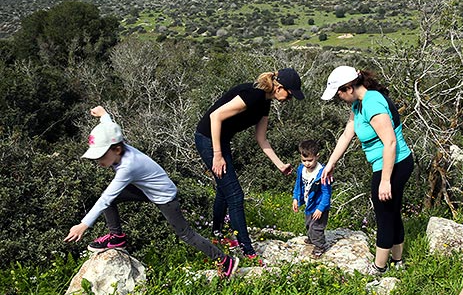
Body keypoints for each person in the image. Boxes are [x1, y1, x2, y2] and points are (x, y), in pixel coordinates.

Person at [64, 106, 238, 279]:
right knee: (109, 200)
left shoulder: (128, 166)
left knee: (185, 234)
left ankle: (225, 261)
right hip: (146, 190)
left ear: (116, 149)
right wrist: (103, 114)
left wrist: (83, 225)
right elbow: (110, 126)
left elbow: (106, 198)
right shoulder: (117, 146)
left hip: (165, 196)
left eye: (101, 155)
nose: (98, 161)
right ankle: (117, 237)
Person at [195, 68, 304, 258]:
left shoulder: (265, 103)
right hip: (207, 139)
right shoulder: (253, 94)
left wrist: (279, 164)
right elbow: (215, 117)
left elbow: (261, 139)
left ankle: (216, 235)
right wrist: (217, 154)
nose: (290, 98)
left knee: (224, 188)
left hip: (221, 140)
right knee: (236, 195)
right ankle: (248, 251)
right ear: (279, 87)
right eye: (290, 93)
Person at [320, 66, 414, 275]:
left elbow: (389, 142)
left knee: (384, 215)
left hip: (393, 164)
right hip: (389, 164)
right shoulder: (359, 105)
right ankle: (398, 262)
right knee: (392, 212)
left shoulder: (372, 103)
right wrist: (331, 163)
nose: (339, 97)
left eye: (339, 93)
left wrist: (385, 180)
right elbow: (347, 135)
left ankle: (379, 268)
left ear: (349, 88)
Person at [292, 140, 332, 258]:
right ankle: (311, 238)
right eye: (304, 160)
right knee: (308, 223)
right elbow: (298, 184)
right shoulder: (301, 169)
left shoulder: (322, 173)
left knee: (317, 227)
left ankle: (320, 246)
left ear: (317, 156)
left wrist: (321, 208)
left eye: (310, 160)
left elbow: (326, 193)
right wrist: (296, 198)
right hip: (309, 203)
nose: (307, 163)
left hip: (319, 205)